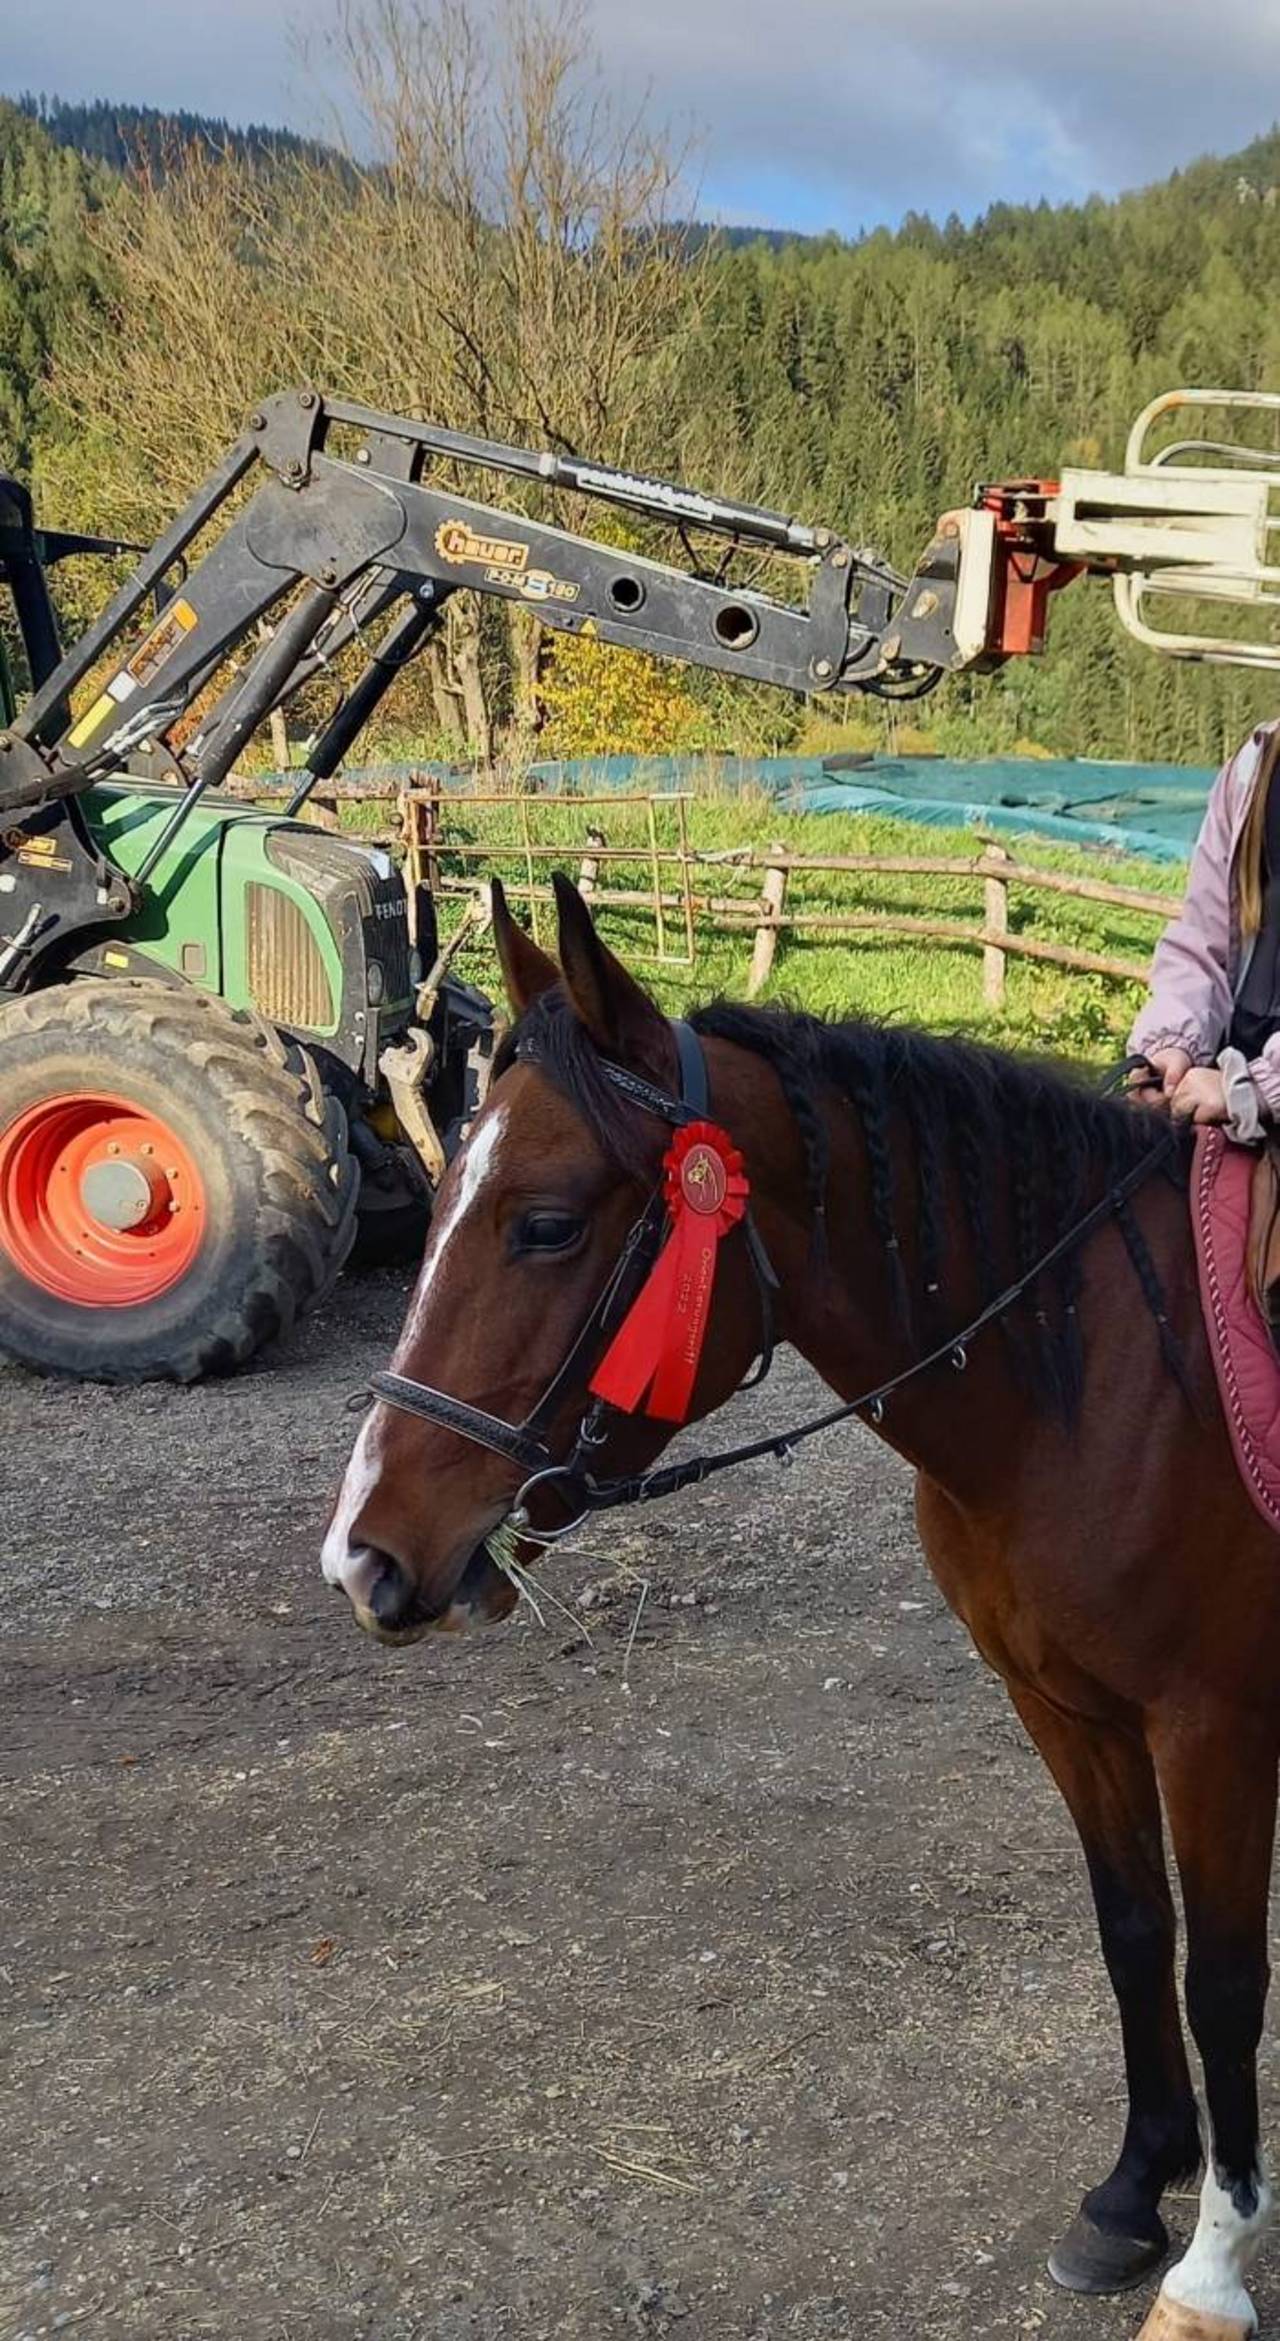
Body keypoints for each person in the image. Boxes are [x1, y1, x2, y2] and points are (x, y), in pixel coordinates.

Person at [1129, 721, 1280, 1140]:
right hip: (1234, 1088)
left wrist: (1257, 1087)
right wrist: (1173, 1043)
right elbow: (1206, 941)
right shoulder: (1255, 766)